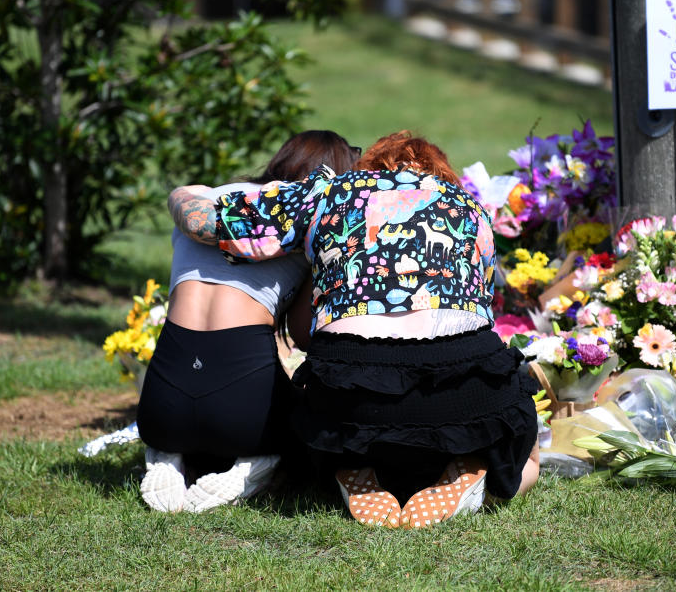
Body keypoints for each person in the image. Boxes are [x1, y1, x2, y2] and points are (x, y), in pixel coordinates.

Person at [168, 131, 540, 528]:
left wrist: (181, 195)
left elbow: (209, 225)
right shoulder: (472, 210)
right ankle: (484, 477)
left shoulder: (329, 193)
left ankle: (352, 467)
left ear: (370, 166)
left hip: (351, 397)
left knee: (332, 413)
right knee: (525, 441)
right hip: (460, 388)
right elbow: (484, 310)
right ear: (439, 172)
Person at [137, 130, 360, 513]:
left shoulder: (209, 197)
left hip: (160, 404)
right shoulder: (311, 218)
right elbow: (304, 334)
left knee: (185, 397)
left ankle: (165, 454)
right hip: (243, 414)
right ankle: (256, 463)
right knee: (303, 419)